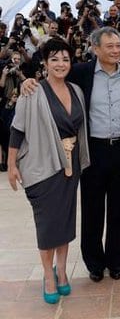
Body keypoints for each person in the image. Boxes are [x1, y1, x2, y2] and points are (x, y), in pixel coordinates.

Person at [21, 27, 120, 282]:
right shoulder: (80, 73)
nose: (115, 50)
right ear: (95, 48)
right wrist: (28, 81)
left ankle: (117, 261)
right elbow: (53, 79)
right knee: (92, 209)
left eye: (118, 45)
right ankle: (95, 264)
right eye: (108, 46)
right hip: (92, 151)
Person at [7, 37, 90, 304]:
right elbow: (17, 130)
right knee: (47, 225)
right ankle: (47, 274)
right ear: (44, 63)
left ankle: (62, 271)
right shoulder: (32, 91)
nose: (60, 64)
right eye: (54, 59)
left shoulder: (77, 90)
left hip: (70, 165)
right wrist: (11, 165)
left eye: (65, 59)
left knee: (65, 222)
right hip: (42, 167)